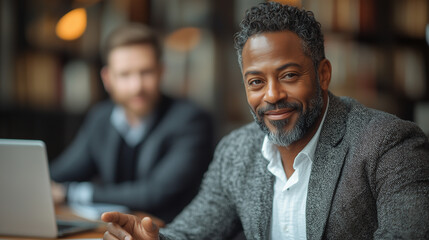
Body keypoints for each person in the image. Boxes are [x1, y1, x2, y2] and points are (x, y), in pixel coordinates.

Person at [101, 3, 429, 240]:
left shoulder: (390, 145)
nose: (272, 95)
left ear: (323, 74)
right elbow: (189, 233)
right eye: (256, 82)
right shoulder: (236, 151)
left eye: (288, 75)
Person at [50, 23, 214, 223]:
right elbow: (62, 171)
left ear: (162, 71)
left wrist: (70, 193)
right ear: (107, 79)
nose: (137, 86)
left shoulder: (190, 120)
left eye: (146, 72)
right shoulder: (101, 118)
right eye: (125, 74)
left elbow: (154, 193)